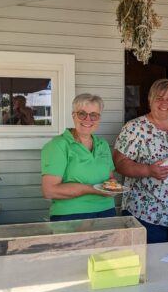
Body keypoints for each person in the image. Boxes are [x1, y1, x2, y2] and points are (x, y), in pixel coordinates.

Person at [113, 78, 168, 244]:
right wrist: (148, 170)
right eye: (159, 98)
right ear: (150, 100)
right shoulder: (134, 128)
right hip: (143, 212)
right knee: (150, 263)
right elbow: (119, 163)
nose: (164, 103)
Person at [41, 93, 115, 221]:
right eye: (82, 113)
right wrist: (92, 189)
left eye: (93, 115)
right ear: (73, 115)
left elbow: (110, 178)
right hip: (71, 215)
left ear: (99, 118)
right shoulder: (58, 145)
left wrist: (113, 185)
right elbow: (49, 190)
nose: (88, 119)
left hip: (106, 212)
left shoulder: (102, 145)